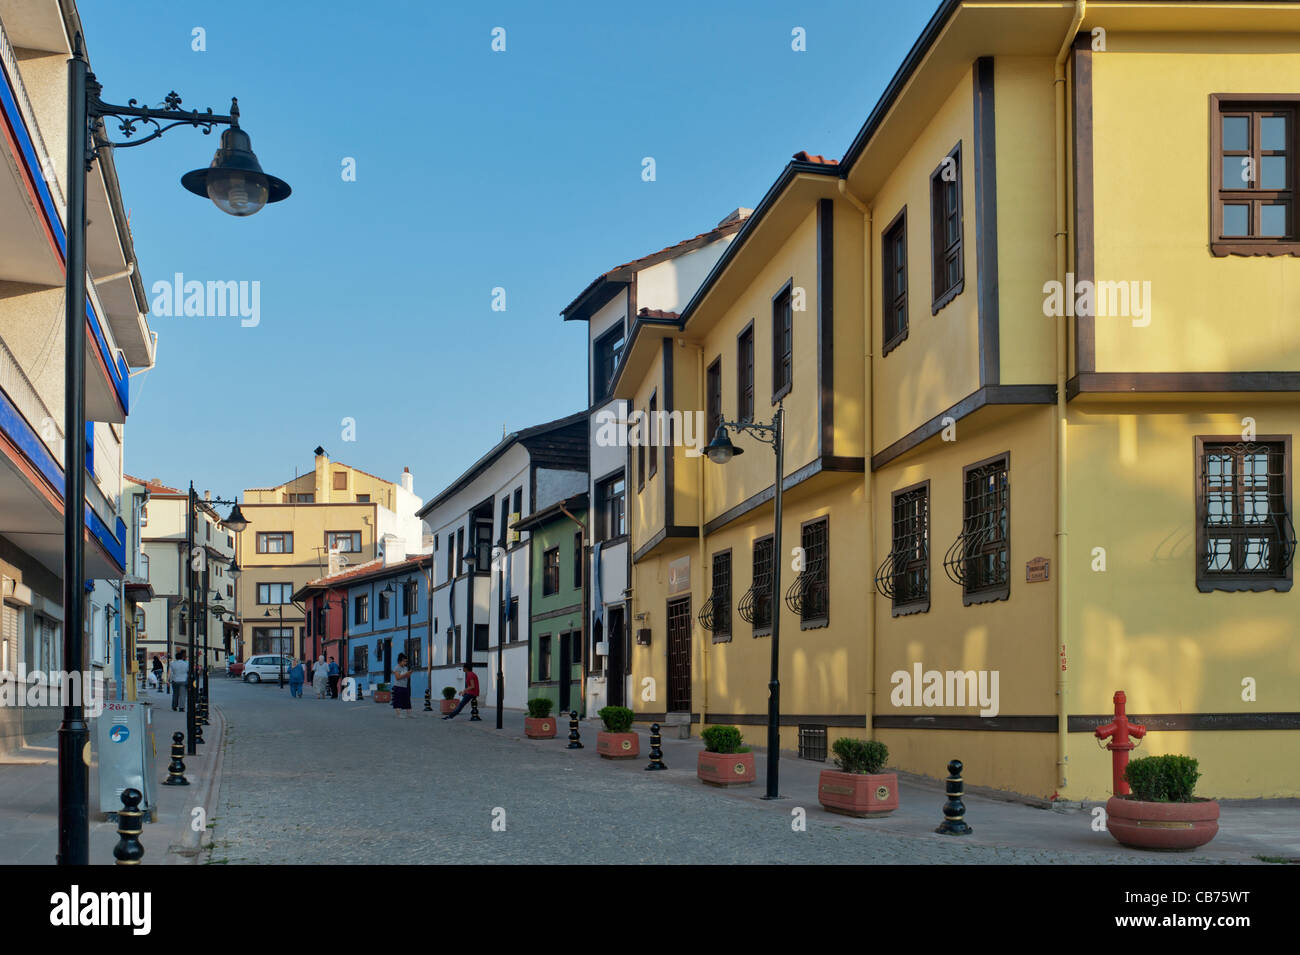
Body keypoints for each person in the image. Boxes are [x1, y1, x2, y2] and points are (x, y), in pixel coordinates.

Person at [391, 653, 413, 717]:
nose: (405, 663)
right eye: (404, 661)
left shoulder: (405, 668)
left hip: (405, 686)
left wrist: (409, 674)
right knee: (398, 700)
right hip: (398, 686)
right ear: (400, 661)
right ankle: (399, 714)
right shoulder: (397, 667)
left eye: (406, 661)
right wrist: (406, 674)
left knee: (407, 700)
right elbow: (397, 677)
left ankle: (409, 714)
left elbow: (407, 677)